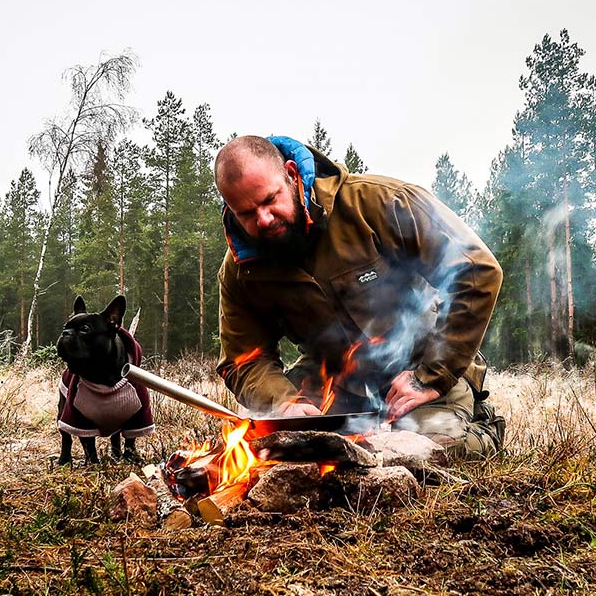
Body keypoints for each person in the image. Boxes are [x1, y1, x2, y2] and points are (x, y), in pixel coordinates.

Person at [214, 135, 505, 458]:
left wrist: (431, 376)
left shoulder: (377, 203)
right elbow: (245, 361)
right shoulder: (241, 270)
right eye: (247, 213)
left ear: (292, 174)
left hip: (421, 368)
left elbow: (475, 270)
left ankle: (481, 428)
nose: (264, 219)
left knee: (424, 453)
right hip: (335, 383)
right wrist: (284, 403)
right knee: (264, 453)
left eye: (270, 200)